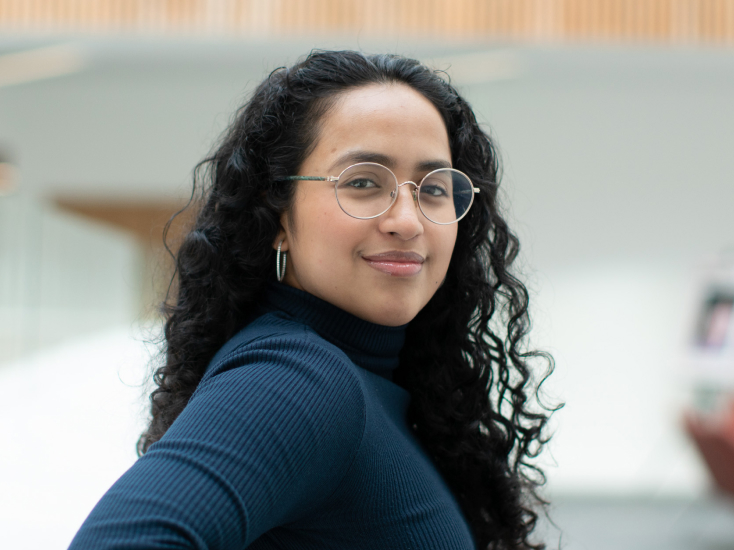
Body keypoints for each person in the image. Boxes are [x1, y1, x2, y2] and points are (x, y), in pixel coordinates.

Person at [69, 50, 554, 550]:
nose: (407, 221)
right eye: (364, 182)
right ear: (278, 215)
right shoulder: (300, 378)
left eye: (433, 188)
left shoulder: (376, 385)